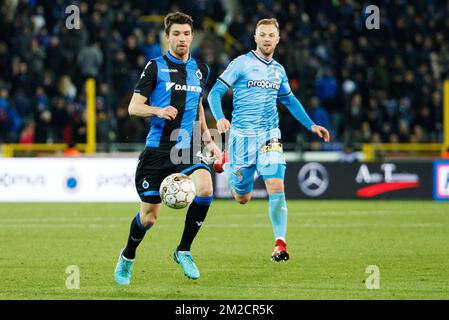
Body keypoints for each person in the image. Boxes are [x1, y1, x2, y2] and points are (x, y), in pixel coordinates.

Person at [207, 18, 330, 262]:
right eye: (262, 34)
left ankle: (280, 243)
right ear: (255, 37)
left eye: (270, 35)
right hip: (241, 138)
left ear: (277, 39)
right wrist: (220, 118)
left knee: (276, 185)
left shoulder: (278, 70)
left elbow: (290, 100)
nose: (266, 38)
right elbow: (215, 92)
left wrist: (311, 125)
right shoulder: (241, 63)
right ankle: (228, 162)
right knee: (242, 198)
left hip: (269, 136)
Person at [114, 12, 221, 284]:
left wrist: (207, 139)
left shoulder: (201, 69)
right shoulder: (155, 66)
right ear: (167, 37)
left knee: (206, 188)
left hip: (186, 146)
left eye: (186, 34)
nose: (182, 38)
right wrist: (157, 110)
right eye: (176, 34)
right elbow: (133, 107)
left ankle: (183, 250)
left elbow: (197, 105)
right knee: (148, 218)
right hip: (158, 149)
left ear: (192, 37)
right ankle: (127, 256)